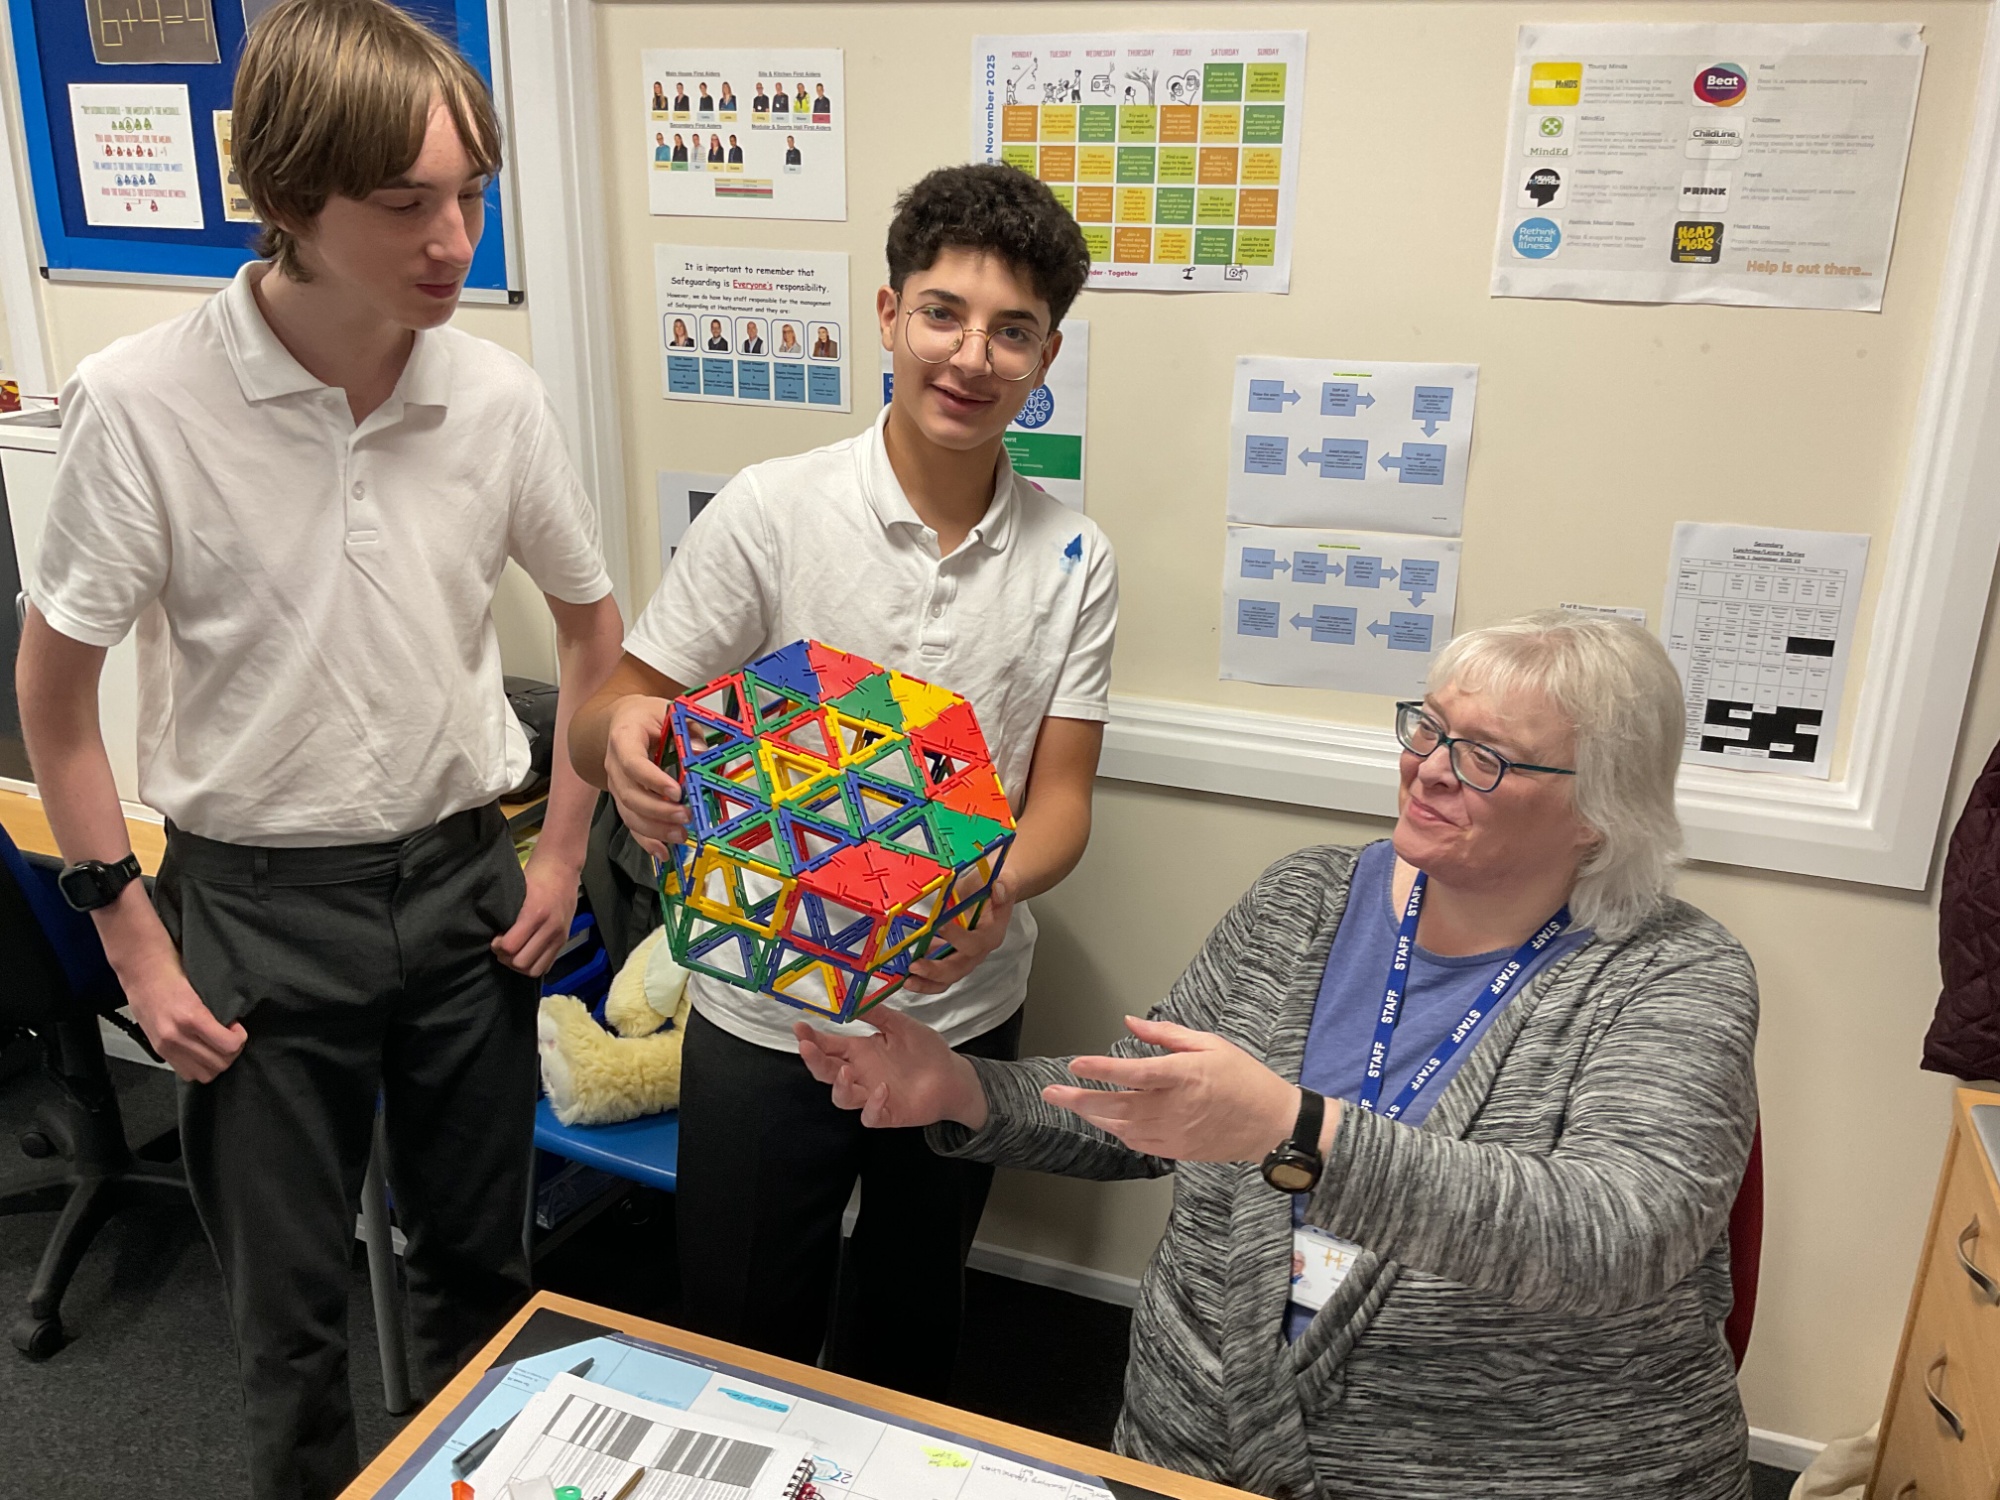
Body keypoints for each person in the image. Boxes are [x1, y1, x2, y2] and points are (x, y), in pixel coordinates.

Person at [14, 1, 625, 1495]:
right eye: (406, 202)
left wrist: (559, 852)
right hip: (251, 907)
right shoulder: (144, 402)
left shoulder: (492, 393)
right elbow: (55, 696)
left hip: (460, 891)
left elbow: (600, 635)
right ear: (290, 199)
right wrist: (141, 955)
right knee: (288, 1325)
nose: (452, 240)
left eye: (470, 196)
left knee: (487, 1276)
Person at [798, 612, 1760, 1500]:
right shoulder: (1305, 901)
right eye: (1426, 729)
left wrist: (1293, 1128)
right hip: (1197, 1450)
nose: (1427, 768)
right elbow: (1155, 1112)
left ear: (1600, 809)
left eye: (1485, 760)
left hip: (1507, 1467)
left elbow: (1619, 1237)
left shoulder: (1675, 975)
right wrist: (963, 1088)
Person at [569, 163, 1110, 1400]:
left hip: (955, 1017)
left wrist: (991, 886)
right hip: (765, 1013)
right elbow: (612, 705)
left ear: (1046, 356)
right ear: (885, 314)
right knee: (738, 1323)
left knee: (912, 1324)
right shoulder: (772, 510)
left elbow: (1063, 797)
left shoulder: (1074, 557)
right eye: (941, 312)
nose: (970, 355)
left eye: (1012, 330)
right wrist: (632, 747)